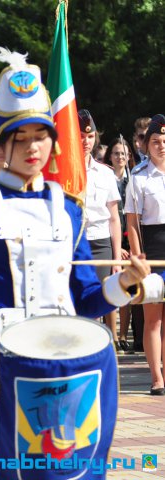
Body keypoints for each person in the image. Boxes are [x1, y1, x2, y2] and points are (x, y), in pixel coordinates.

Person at [0, 48, 151, 480]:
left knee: (56, 470)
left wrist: (126, 282)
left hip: (60, 357)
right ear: (1, 143)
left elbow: (85, 298)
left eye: (42, 135)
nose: (33, 147)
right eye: (21, 137)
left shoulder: (70, 209)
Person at [125, 113, 165, 395]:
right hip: (153, 252)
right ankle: (156, 377)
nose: (161, 146)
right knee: (153, 319)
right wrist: (139, 259)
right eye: (156, 142)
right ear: (146, 145)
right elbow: (132, 222)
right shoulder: (139, 178)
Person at [80, 109, 123, 351]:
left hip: (100, 243)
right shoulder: (61, 171)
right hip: (74, 242)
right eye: (81, 136)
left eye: (90, 136)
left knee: (98, 302)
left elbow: (114, 218)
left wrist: (117, 258)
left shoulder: (105, 173)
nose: (86, 141)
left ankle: (96, 351)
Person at [103, 137, 136, 353]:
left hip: (130, 239)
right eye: (116, 153)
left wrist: (131, 245)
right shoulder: (106, 176)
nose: (120, 157)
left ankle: (124, 334)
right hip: (112, 240)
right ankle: (113, 335)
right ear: (110, 156)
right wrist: (118, 247)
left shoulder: (133, 178)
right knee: (113, 286)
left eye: (123, 153)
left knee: (129, 288)